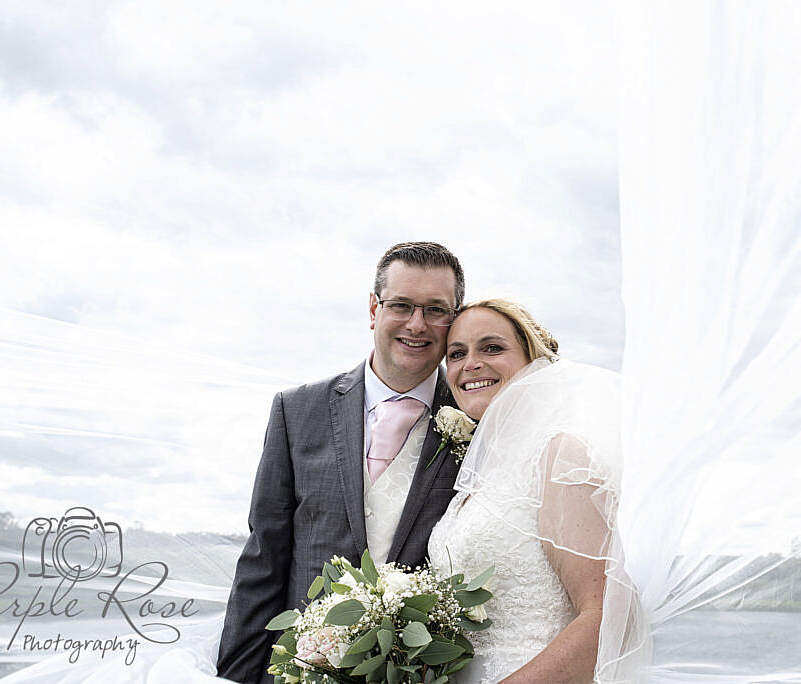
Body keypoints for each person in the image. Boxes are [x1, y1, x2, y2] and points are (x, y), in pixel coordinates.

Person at [217, 242, 467, 683]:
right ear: (374, 309)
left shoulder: (479, 422)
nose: (416, 324)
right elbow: (263, 560)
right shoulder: (296, 411)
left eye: (436, 310)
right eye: (402, 305)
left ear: (455, 318)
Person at [428, 298, 631, 683]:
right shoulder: (477, 478)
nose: (471, 363)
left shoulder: (560, 456)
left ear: (533, 361)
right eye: (457, 353)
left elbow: (607, 616)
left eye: (492, 348)